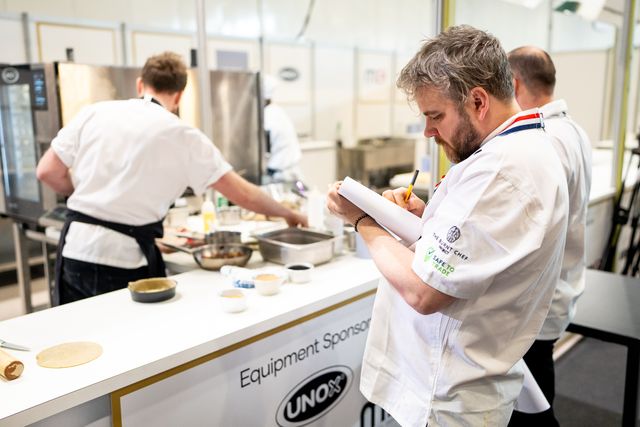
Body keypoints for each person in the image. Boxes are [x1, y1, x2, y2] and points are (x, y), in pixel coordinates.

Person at [326, 25, 569, 426]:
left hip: (450, 394)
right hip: (456, 382)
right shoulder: (512, 152)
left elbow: (423, 290)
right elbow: (478, 246)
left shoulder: (503, 170)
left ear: (478, 101)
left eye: (435, 116)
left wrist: (362, 219)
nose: (428, 131)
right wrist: (425, 219)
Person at [36, 52, 307, 305]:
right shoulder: (183, 135)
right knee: (127, 337)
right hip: (123, 260)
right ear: (179, 96)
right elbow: (244, 194)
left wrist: (87, 195)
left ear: (140, 84)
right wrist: (289, 214)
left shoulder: (94, 113)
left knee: (81, 336)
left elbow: (46, 172)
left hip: (74, 249)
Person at [507, 46, 592, 426]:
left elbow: (528, 230)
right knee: (538, 393)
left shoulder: (544, 139)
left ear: (513, 84)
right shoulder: (572, 131)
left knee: (532, 409)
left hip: (538, 305)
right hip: (556, 294)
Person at [262, 75, 303, 182]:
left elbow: (265, 150)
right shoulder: (276, 111)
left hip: (281, 176)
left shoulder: (267, 117)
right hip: (290, 172)